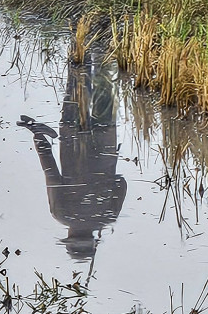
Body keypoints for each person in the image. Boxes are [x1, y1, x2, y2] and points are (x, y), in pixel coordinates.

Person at [18, 47, 127, 261]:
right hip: (71, 139)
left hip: (106, 142)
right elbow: (50, 171)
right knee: (76, 82)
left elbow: (121, 183)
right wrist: (39, 136)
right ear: (70, 236)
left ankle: (105, 47)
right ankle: (82, 47)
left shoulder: (108, 216)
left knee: (105, 86)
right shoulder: (61, 214)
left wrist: (102, 180)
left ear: (93, 238)